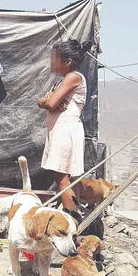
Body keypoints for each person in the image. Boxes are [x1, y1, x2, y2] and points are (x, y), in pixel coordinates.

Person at [37, 39, 92, 214]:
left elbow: (51, 103)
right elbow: (44, 101)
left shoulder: (73, 77)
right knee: (64, 176)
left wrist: (48, 101)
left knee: (62, 177)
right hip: (59, 129)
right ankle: (74, 215)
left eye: (55, 59)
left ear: (68, 62)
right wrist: (46, 101)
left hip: (66, 130)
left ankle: (72, 217)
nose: (51, 63)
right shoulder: (61, 80)